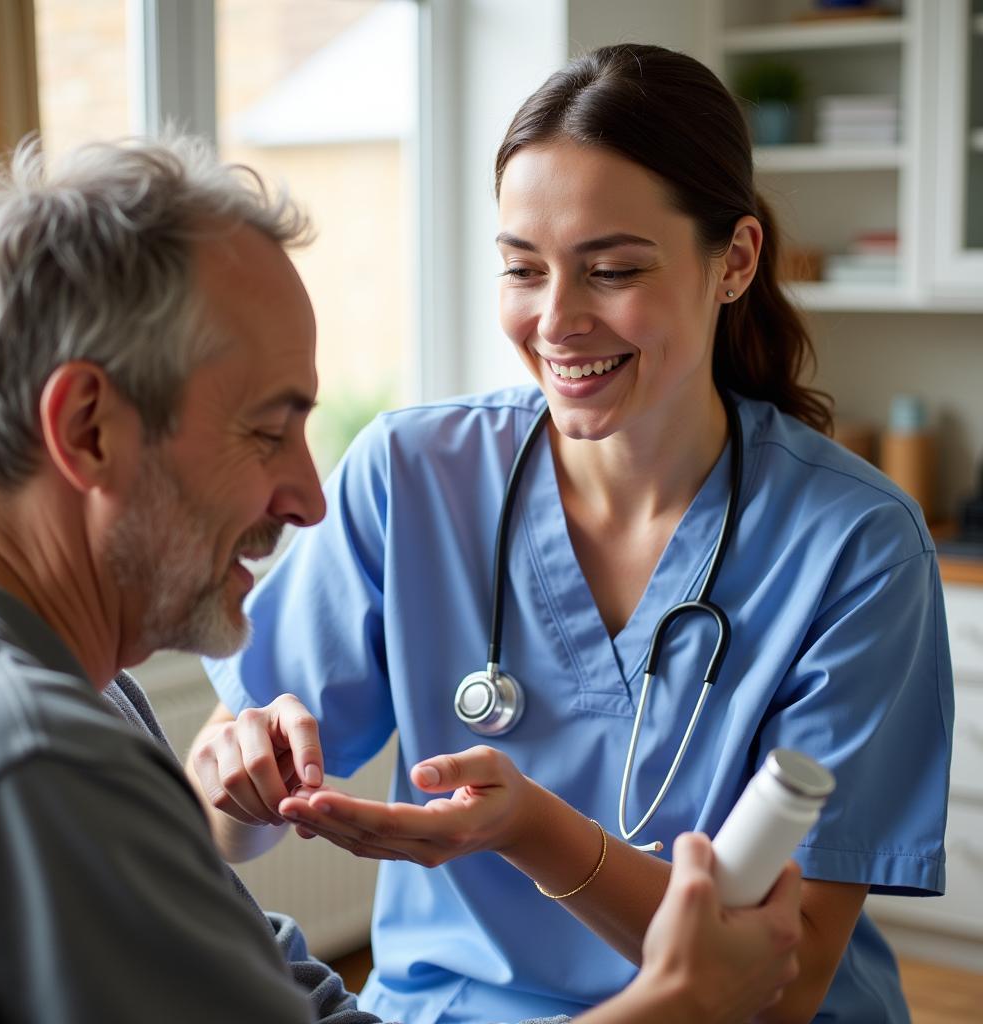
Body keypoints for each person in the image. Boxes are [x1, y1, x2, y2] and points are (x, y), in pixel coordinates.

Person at [0, 134, 801, 1024]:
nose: (309, 501)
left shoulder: (88, 697)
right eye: (266, 430)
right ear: (89, 429)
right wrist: (681, 1002)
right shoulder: (35, 758)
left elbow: (277, 984)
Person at [196, 42, 954, 1024]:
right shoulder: (410, 475)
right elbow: (223, 814)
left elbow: (779, 979)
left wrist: (531, 829)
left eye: (611, 270)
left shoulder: (854, 545)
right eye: (522, 269)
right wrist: (239, 780)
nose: (556, 322)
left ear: (734, 262)